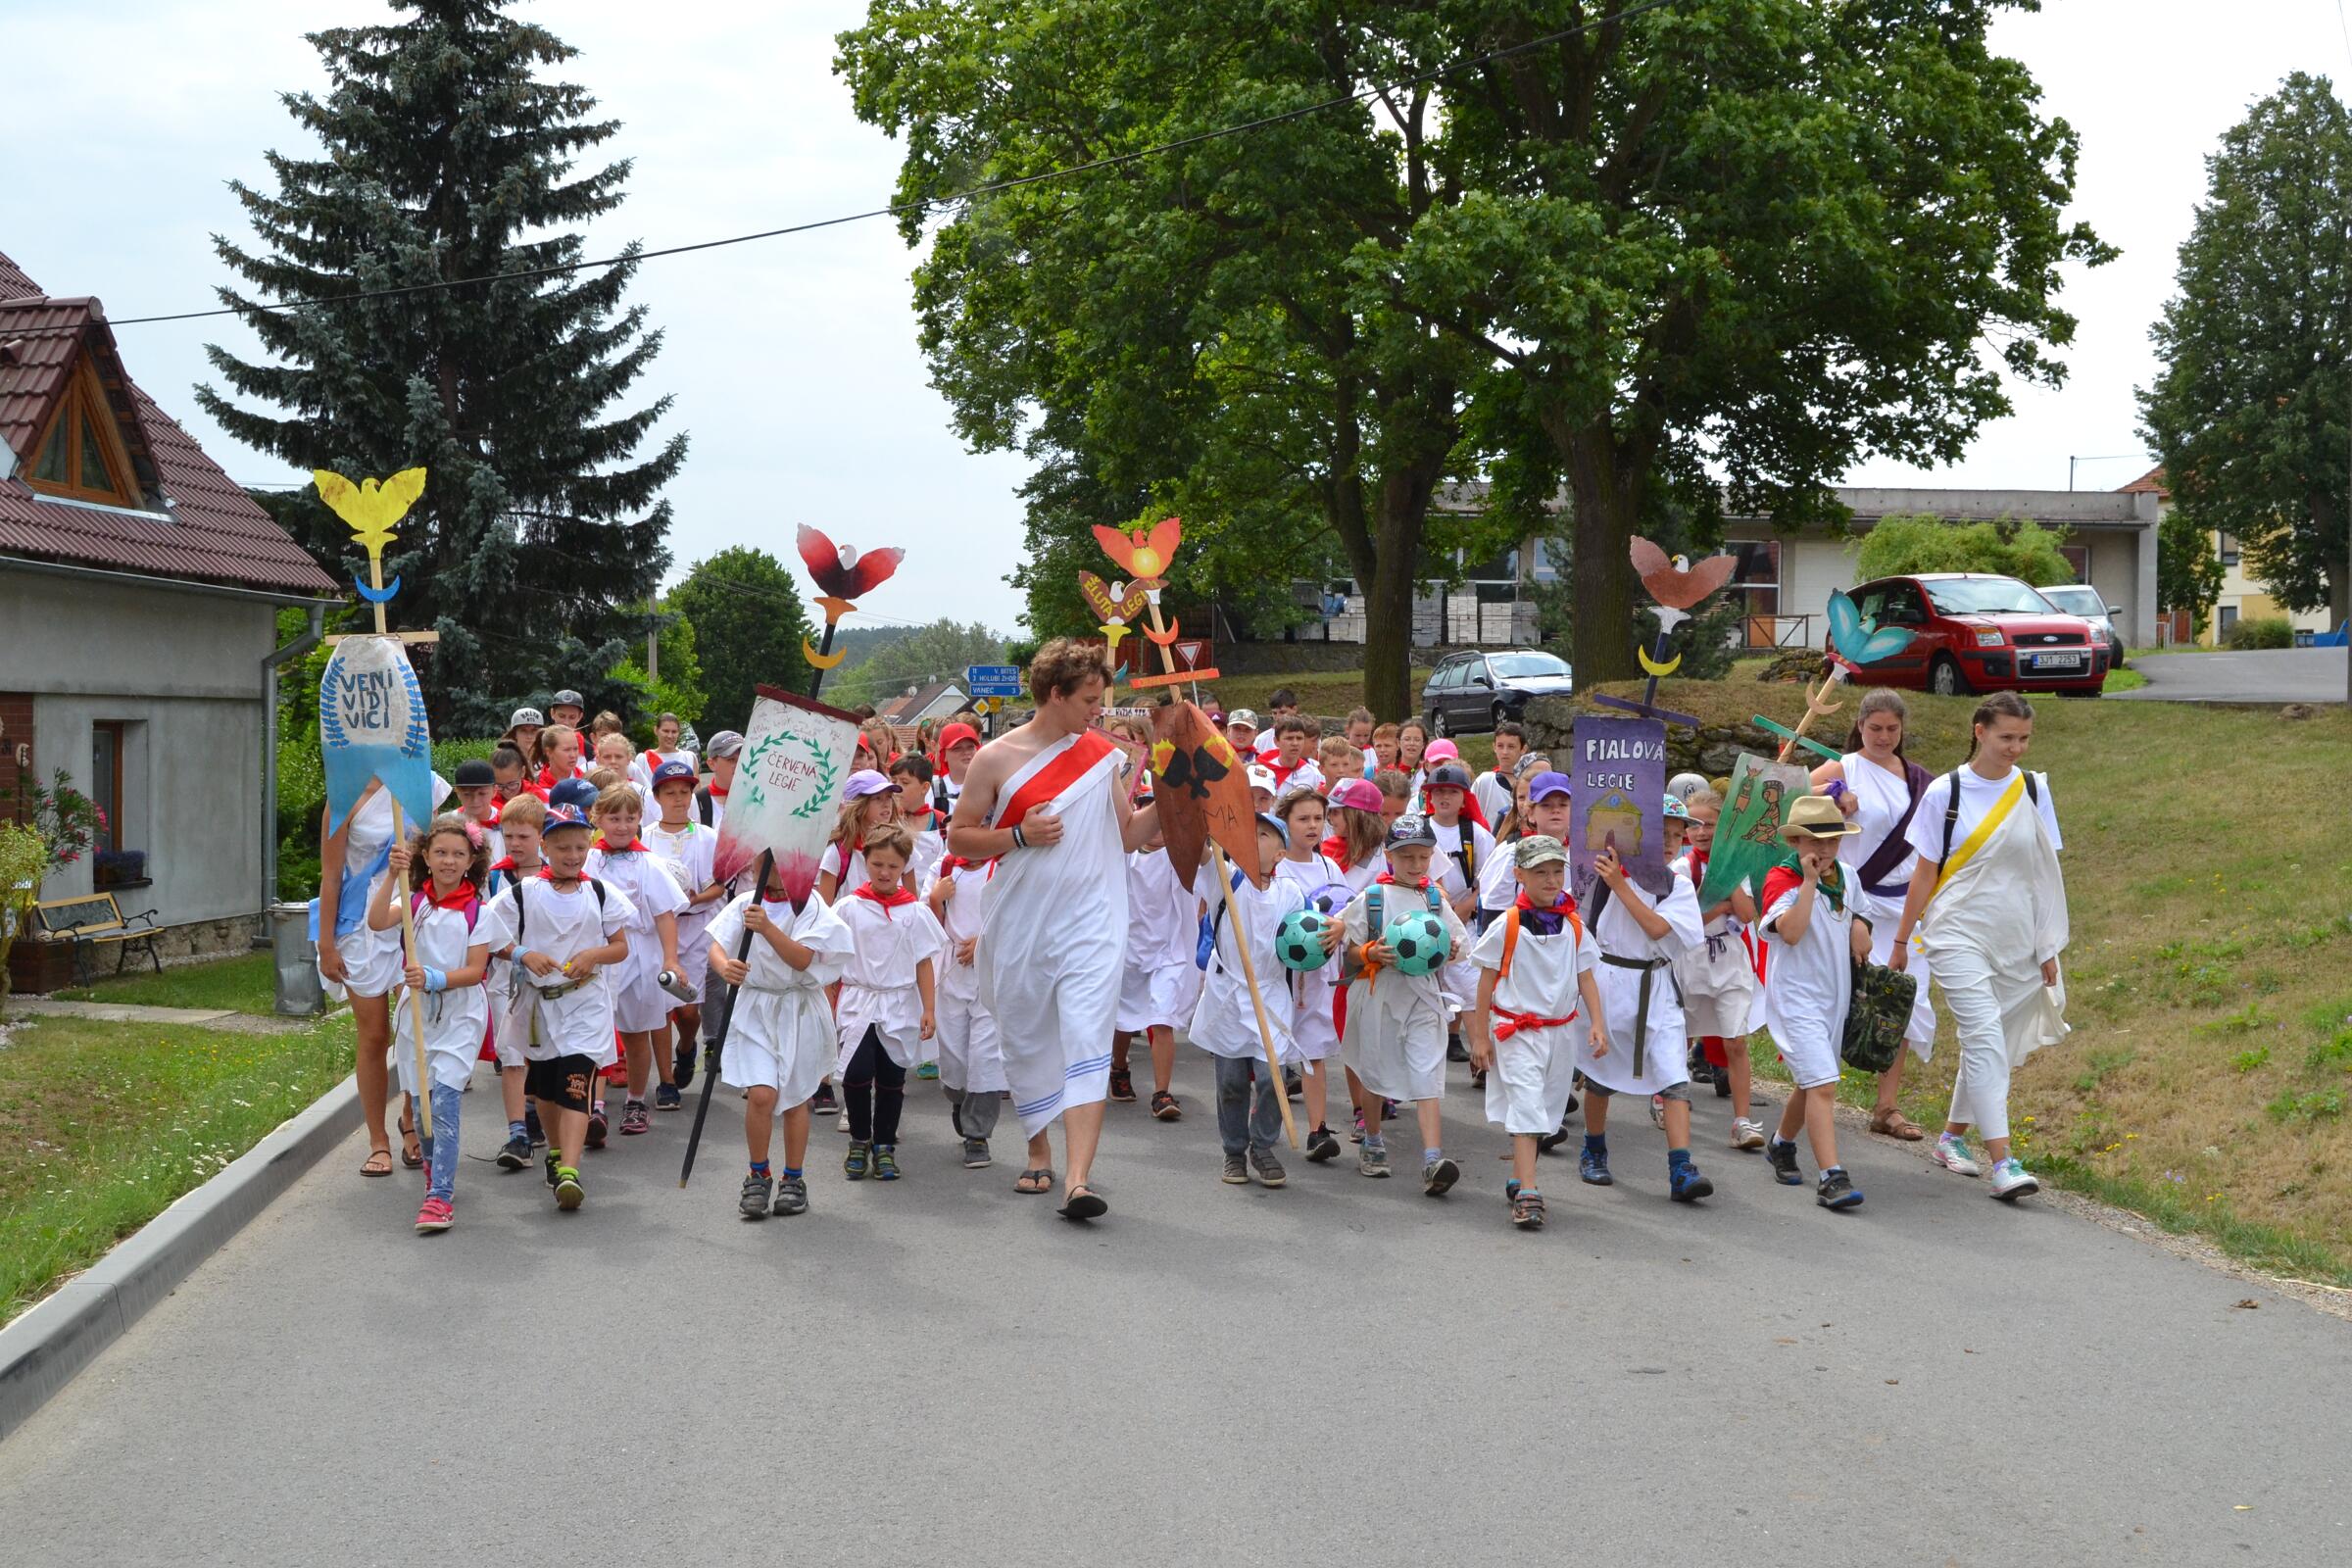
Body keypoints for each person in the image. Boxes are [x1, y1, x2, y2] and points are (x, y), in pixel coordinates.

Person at [948, 637, 1158, 1221]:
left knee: (1089, 1035)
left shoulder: (1100, 755)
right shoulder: (996, 758)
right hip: (1021, 921)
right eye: (1090, 698)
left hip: (1092, 920)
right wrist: (1018, 835)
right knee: (1027, 1034)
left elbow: (1126, 836)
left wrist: (1172, 794)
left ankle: (1078, 1179)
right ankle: (1038, 1145)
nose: (1099, 710)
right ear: (1056, 693)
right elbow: (959, 838)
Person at [1891, 692, 2069, 1201]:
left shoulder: (2034, 789)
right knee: (1985, 1037)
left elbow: (2043, 874)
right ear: (1979, 731)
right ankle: (2004, 1163)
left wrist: (2047, 944)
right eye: (2006, 736)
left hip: (2016, 937)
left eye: (2024, 738)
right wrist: (1903, 939)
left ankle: (1950, 1138)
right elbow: (1925, 870)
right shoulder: (1945, 793)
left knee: (1993, 1045)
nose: (2015, 748)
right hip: (1954, 932)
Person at [487, 803, 632, 1211]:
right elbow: (491, 941)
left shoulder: (601, 892)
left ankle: (570, 1170)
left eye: (581, 847)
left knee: (576, 1083)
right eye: (564, 847)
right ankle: (554, 1153)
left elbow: (621, 946)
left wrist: (594, 956)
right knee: (545, 1090)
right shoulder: (520, 894)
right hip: (539, 1007)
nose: (573, 855)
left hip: (585, 1003)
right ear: (545, 847)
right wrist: (522, 954)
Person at [1810, 688, 1937, 1140]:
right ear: (1860, 726)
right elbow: (1789, 798)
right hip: (1854, 902)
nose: (1884, 736)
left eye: (1892, 729)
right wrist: (1834, 794)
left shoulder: (1920, 779)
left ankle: (1887, 1107)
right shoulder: (1844, 767)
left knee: (1904, 999)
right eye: (1875, 728)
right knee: (1837, 998)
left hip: (1905, 908)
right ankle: (1816, 1092)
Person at [1466, 835, 1606, 1230]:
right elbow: (1485, 981)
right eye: (1539, 872)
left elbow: (1586, 976)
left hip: (1559, 1033)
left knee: (1545, 1110)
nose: (1550, 879)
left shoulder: (1574, 926)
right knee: (1527, 1104)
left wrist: (1596, 1021)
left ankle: (1519, 1175)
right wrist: (1479, 1036)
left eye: (1556, 871)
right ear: (1519, 875)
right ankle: (1529, 1192)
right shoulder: (1507, 924)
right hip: (1516, 1031)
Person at [317, 768, 452, 1177]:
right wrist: (326, 943)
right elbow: (330, 873)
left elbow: (445, 848)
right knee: (374, 1034)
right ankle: (378, 1141)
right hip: (361, 924)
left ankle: (410, 1121)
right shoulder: (345, 794)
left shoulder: (423, 784)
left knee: (414, 1027)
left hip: (410, 914)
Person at [708, 853, 857, 1220]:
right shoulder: (746, 902)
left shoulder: (810, 905)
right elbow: (716, 943)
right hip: (755, 1007)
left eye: (773, 862)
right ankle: (757, 1173)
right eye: (760, 861)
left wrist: (768, 929)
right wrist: (725, 966)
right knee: (761, 1094)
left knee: (794, 1098)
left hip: (797, 1008)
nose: (763, 869)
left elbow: (803, 959)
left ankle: (794, 1178)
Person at [1576, 805, 1712, 1202]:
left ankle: (1681, 1167)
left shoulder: (1678, 886)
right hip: (1611, 980)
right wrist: (1617, 880)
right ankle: (1594, 1148)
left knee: (1674, 1078)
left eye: (1676, 835)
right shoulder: (1606, 873)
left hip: (1657, 986)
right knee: (1602, 1075)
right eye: (1661, 834)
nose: (1669, 843)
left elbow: (1656, 928)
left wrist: (1620, 885)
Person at [368, 814, 497, 1233]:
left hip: (460, 1014)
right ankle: (432, 1170)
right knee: (422, 1106)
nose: (448, 861)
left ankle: (440, 1196)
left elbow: (477, 970)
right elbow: (375, 921)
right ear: (425, 856)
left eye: (458, 854)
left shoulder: (479, 911)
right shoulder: (414, 902)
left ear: (471, 860)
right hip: (417, 1014)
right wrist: (392, 876)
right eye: (440, 852)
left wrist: (436, 978)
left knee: (443, 1102)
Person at [1336, 814, 1472, 1194]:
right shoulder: (1372, 899)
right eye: (1406, 857)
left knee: (1428, 1072)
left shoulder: (1433, 900)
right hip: (1379, 996)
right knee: (1375, 1071)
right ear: (1389, 856)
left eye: (1423, 857)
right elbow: (1346, 953)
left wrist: (1451, 950)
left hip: (1424, 997)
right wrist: (1369, 951)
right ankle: (1373, 1140)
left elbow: (1459, 946)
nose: (1415, 865)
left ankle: (1433, 1158)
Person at [1757, 796, 1872, 1210]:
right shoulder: (1781, 879)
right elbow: (1790, 932)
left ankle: (1782, 1144)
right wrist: (1808, 883)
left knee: (1812, 1079)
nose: (1824, 851)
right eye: (1814, 841)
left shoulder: (1848, 876)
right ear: (1795, 841)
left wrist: (1860, 925)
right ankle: (1832, 1177)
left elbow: (1861, 912)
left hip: (1834, 996)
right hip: (1795, 996)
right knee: (1823, 1083)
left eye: (1832, 841)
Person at [1192, 812, 1307, 1188]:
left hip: (1270, 995)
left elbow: (1300, 945)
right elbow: (1200, 852)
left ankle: (1263, 1145)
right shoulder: (1224, 876)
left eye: (1263, 835)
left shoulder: (1290, 893)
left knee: (1273, 1078)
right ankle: (1234, 1150)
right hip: (1228, 994)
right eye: (1248, 832)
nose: (1252, 839)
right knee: (1230, 1082)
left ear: (1280, 853)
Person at [830, 822, 944, 1183]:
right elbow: (830, 957)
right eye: (878, 864)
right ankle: (859, 1140)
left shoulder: (913, 912)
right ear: (866, 862)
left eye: (893, 867)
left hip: (898, 1003)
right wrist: (827, 998)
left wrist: (928, 1007)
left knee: (893, 1078)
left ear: (903, 868)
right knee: (857, 1072)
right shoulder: (848, 908)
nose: (884, 872)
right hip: (859, 1001)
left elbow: (923, 962)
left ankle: (884, 1147)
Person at [584, 784, 688, 1137]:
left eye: (630, 819)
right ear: (597, 818)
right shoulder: (587, 859)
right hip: (598, 954)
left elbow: (664, 915)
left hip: (640, 953)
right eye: (614, 818)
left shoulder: (648, 863)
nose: (623, 826)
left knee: (635, 1033)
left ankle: (635, 1100)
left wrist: (671, 959)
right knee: (594, 1032)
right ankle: (594, 1105)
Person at [1673, 787, 1765, 1151]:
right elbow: (1688, 919)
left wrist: (1728, 878)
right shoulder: (1682, 867)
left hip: (1729, 960)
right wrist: (1720, 906)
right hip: (1691, 959)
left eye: (1710, 824)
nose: (1701, 832)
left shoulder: (1736, 865)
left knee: (1735, 1041)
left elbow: (1746, 913)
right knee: (1681, 1035)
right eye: (1694, 825)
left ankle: (1741, 1121)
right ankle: (1668, 1096)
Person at [1273, 786, 1348, 1161]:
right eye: (1303, 819)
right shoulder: (1275, 864)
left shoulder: (1329, 866)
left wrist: (1339, 928)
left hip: (1319, 973)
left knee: (1314, 1048)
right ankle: (1264, 1121)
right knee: (1270, 1047)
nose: (1312, 826)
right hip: (1281, 973)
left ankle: (1318, 1130)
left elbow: (1343, 911)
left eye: (1318, 818)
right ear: (1285, 822)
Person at [927, 837, 1006, 1169]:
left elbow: (1016, 914)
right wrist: (935, 900)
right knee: (955, 1058)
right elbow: (925, 923)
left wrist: (985, 941)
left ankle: (978, 1135)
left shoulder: (1001, 868)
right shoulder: (942, 868)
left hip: (989, 974)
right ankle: (960, 1099)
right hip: (951, 975)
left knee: (985, 1056)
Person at [644, 760, 722, 1098]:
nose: (678, 799)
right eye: (670, 793)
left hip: (695, 928)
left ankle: (687, 1046)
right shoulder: (645, 836)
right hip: (657, 931)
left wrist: (691, 899)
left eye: (685, 792)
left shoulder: (706, 837)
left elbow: (719, 886)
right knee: (661, 1007)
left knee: (689, 1010)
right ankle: (666, 1081)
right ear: (657, 797)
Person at [1113, 820, 1197, 1120]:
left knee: (1162, 1020)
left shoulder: (1181, 856)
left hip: (1168, 952)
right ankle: (1119, 1066)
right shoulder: (1121, 855)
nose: (1159, 828)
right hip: (1128, 950)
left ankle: (1161, 1093)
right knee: (1123, 1019)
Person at [483, 793, 548, 1166]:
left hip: (547, 978)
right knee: (511, 1056)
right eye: (508, 836)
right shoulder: (493, 877)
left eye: (523, 836)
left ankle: (537, 1109)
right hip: (505, 978)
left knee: (542, 1054)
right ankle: (517, 1135)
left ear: (540, 835)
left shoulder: (556, 874)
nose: (515, 844)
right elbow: (482, 927)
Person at [817, 770, 902, 903]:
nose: (886, 804)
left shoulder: (900, 846)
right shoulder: (837, 853)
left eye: (889, 797)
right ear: (858, 805)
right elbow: (823, 913)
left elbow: (912, 904)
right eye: (877, 798)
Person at [1320, 777, 1390, 892]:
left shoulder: (1386, 854)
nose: (1330, 817)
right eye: (1330, 812)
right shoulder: (1327, 848)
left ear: (1357, 816)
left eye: (1336, 812)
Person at [451, 759, 506, 867]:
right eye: (467, 794)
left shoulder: (506, 822)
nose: (475, 800)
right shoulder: (448, 822)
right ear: (457, 792)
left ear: (494, 791)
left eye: (482, 793)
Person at [1474, 723, 1528, 824]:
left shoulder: (1529, 783)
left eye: (1511, 746)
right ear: (1494, 747)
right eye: (1500, 746)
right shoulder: (1484, 781)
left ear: (1523, 749)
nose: (1505, 752)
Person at [695, 729, 742, 831]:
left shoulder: (759, 799)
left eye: (743, 758)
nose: (739, 765)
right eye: (731, 759)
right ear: (712, 764)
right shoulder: (697, 802)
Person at [932, 721, 981, 815]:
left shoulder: (991, 786)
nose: (966, 752)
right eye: (957, 749)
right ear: (944, 755)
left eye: (970, 747)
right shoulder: (933, 790)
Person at [1263, 715, 1323, 794]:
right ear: (1276, 741)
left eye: (1299, 738)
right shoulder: (1265, 771)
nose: (1295, 743)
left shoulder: (1314, 775)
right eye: (1289, 738)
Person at [636, 711, 695, 786]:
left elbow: (695, 794)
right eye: (666, 731)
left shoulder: (689, 757)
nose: (670, 736)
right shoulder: (643, 760)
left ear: (679, 732)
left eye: (674, 732)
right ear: (656, 730)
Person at [532, 722, 587, 789]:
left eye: (576, 749)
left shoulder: (587, 780)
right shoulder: (535, 786)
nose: (573, 755)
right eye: (566, 750)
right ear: (549, 752)